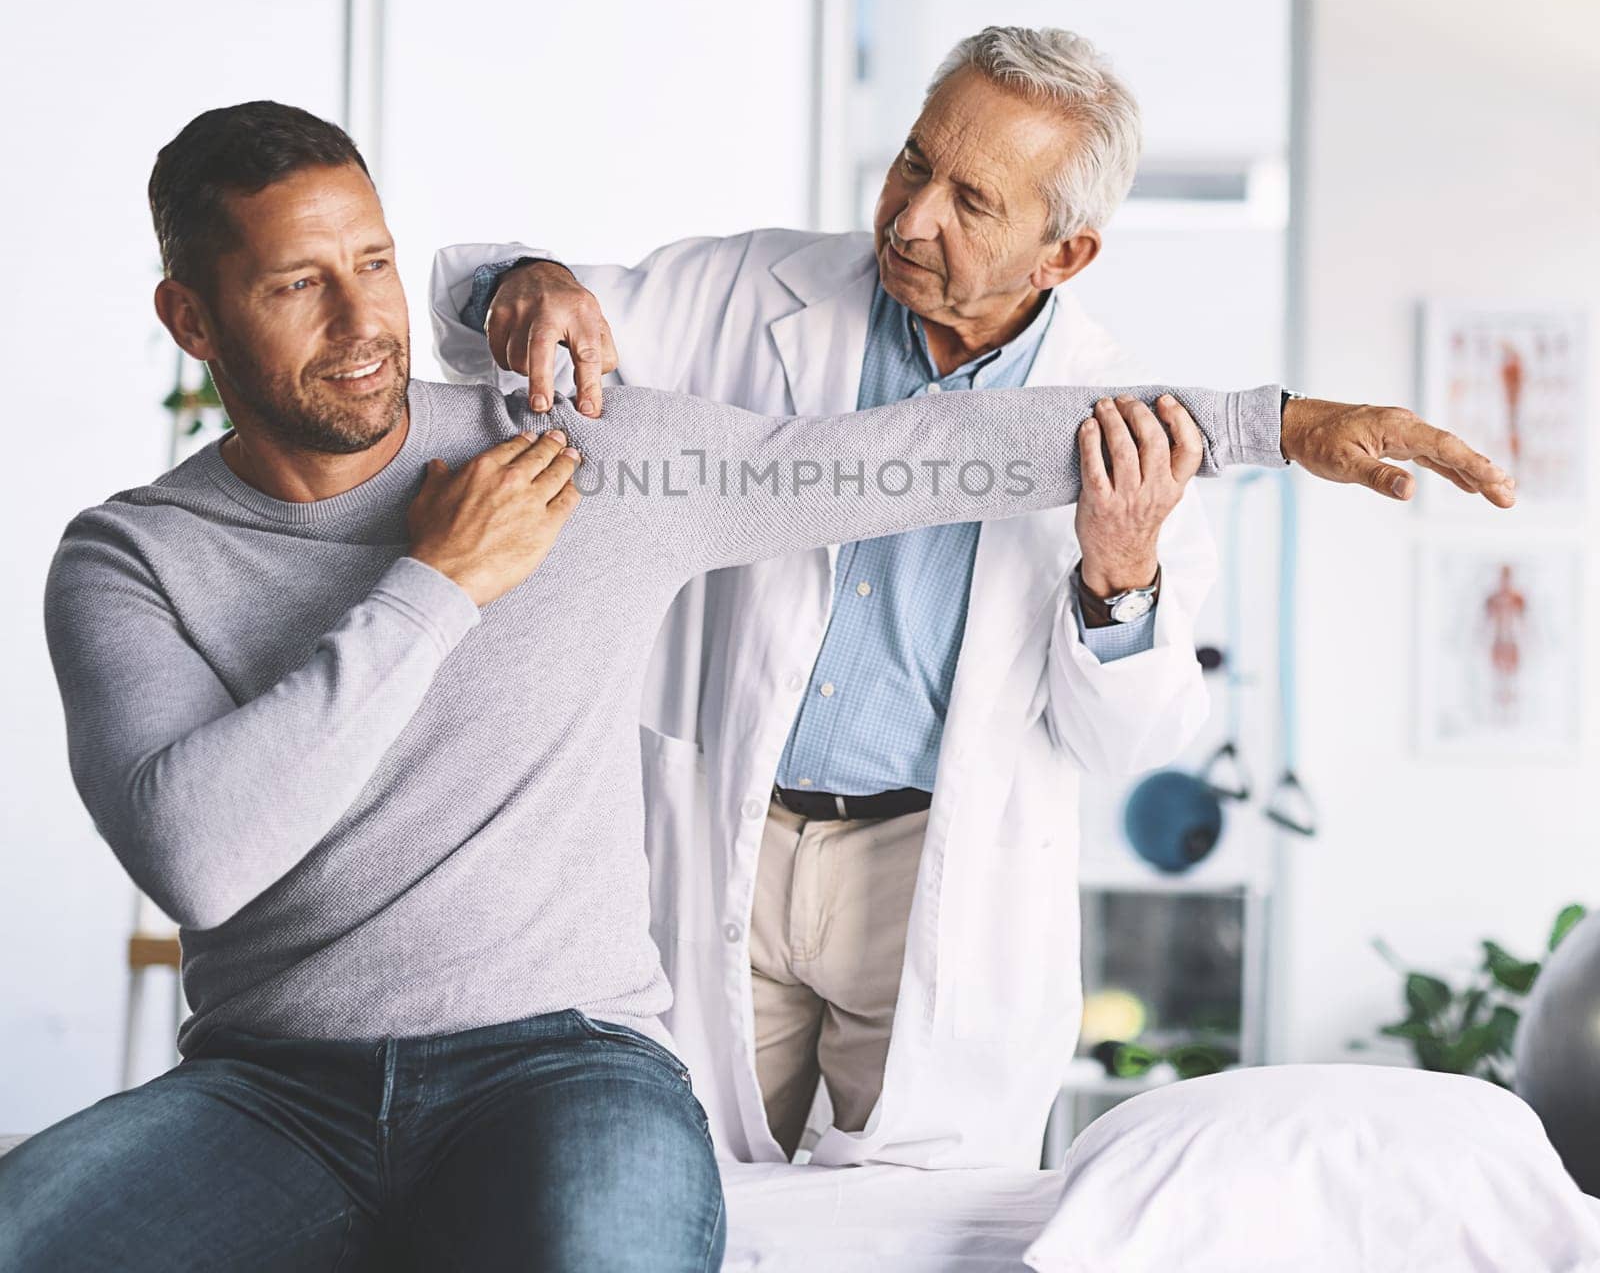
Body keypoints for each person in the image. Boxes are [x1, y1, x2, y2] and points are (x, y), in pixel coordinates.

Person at [0, 104, 1507, 1273]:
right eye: (297, 286)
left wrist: (1279, 422)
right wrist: (435, 586)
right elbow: (199, 851)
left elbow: (895, 456)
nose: (366, 322)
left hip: (558, 1059)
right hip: (273, 1089)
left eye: (379, 263)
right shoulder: (130, 559)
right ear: (191, 321)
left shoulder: (572, 448)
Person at [431, 25, 1516, 1166]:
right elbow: (502, 324)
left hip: (928, 871)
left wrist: (1121, 571)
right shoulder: (751, 292)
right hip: (724, 836)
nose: (908, 218)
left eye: (969, 200)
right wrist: (525, 281)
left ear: (1064, 254)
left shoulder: (1116, 419)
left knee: (902, 1224)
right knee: (671, 1173)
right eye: (912, 163)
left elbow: (1127, 737)